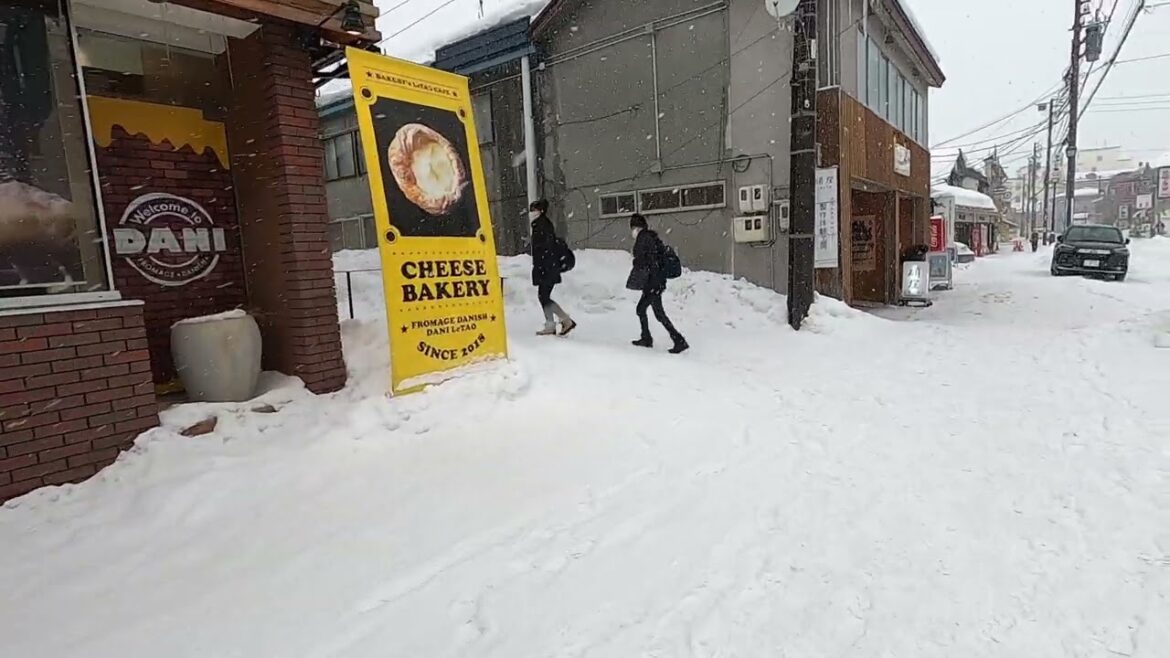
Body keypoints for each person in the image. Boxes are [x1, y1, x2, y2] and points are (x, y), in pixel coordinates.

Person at [626, 214, 688, 354]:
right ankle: (671, 339)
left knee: (643, 310)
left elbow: (645, 261)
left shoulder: (644, 239)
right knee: (656, 312)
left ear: (636, 227)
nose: (632, 231)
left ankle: (655, 338)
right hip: (656, 281)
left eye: (633, 228)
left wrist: (637, 263)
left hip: (653, 282)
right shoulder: (651, 237)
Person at [529, 199, 576, 336]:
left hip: (547, 268)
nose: (531, 213)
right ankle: (558, 322)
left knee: (543, 296)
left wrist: (543, 266)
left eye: (534, 210)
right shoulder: (542, 224)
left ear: (540, 211)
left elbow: (545, 249)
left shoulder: (542, 225)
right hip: (548, 267)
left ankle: (562, 321)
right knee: (544, 296)